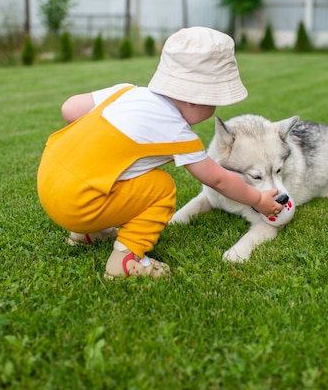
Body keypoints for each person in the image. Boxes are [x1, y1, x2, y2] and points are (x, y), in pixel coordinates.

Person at [37, 27, 283, 280]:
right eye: (214, 101)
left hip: (49, 182)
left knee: (124, 176)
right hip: (77, 204)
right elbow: (218, 179)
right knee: (161, 187)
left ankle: (87, 233)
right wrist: (257, 200)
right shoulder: (176, 131)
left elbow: (69, 109)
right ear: (194, 100)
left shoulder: (125, 92)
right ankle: (126, 259)